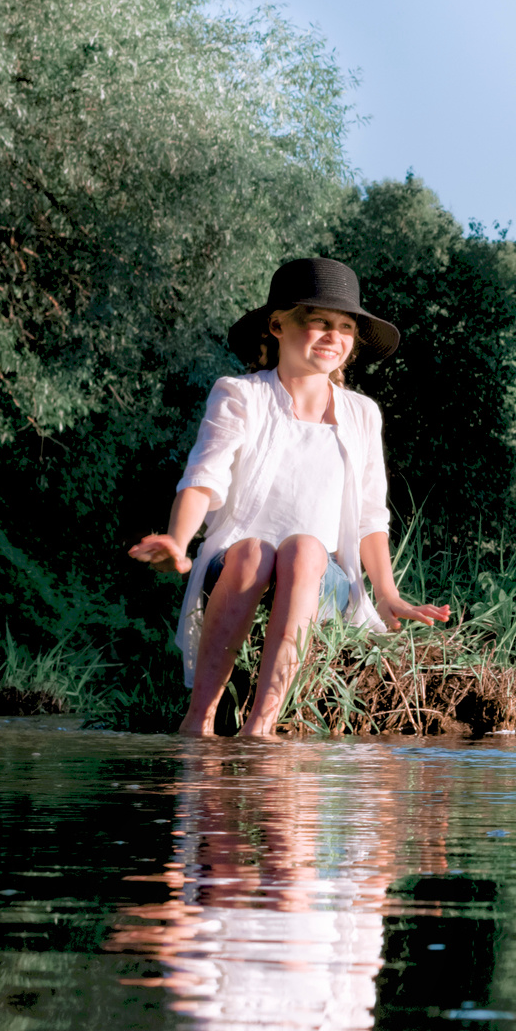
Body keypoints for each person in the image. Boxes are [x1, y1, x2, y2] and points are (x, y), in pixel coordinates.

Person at [128, 258, 449, 740]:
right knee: (256, 550)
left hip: (323, 576)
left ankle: (261, 726)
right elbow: (203, 477)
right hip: (237, 564)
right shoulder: (239, 395)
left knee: (303, 548)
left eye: (345, 327)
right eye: (317, 320)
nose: (332, 336)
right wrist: (178, 540)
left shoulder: (363, 414)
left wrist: (388, 595)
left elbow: (369, 514)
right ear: (278, 325)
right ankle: (198, 722)